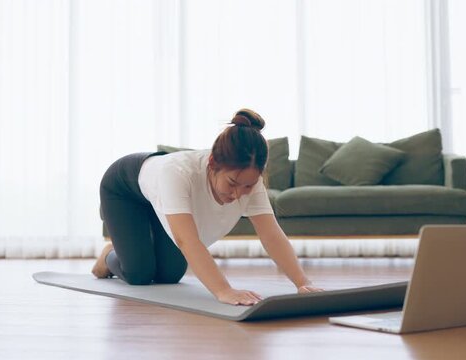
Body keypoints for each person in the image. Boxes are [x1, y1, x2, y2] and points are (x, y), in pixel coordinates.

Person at [92, 109, 323, 306]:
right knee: (139, 273)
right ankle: (110, 255)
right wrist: (224, 290)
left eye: (247, 186)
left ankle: (132, 244)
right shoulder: (178, 173)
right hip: (124, 190)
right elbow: (187, 241)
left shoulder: (250, 183)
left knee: (170, 273)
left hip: (159, 197)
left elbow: (271, 235)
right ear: (212, 163)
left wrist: (303, 283)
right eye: (232, 183)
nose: (237, 194)